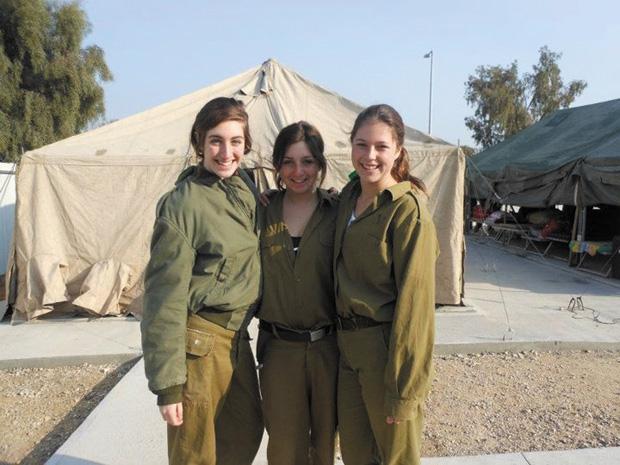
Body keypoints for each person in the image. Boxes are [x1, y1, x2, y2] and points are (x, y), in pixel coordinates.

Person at [141, 97, 263, 465]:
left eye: (236, 141)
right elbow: (164, 299)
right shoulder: (183, 204)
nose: (226, 152)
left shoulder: (246, 188)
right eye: (216, 140)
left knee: (243, 434)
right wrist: (168, 385)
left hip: (236, 340)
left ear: (246, 144)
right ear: (199, 141)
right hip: (199, 344)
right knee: (195, 452)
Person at [333, 104, 439, 465]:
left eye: (380, 146)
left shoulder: (408, 211)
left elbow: (416, 308)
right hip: (346, 348)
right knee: (356, 455)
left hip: (384, 350)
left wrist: (404, 390)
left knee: (396, 458)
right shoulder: (348, 199)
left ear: (398, 150)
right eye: (361, 145)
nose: (370, 156)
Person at [256, 121, 339, 465]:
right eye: (288, 161)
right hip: (279, 350)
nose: (298, 171)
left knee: (323, 444)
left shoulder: (338, 211)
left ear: (320, 165)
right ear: (277, 166)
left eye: (307, 161)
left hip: (328, 350)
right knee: (284, 447)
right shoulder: (261, 210)